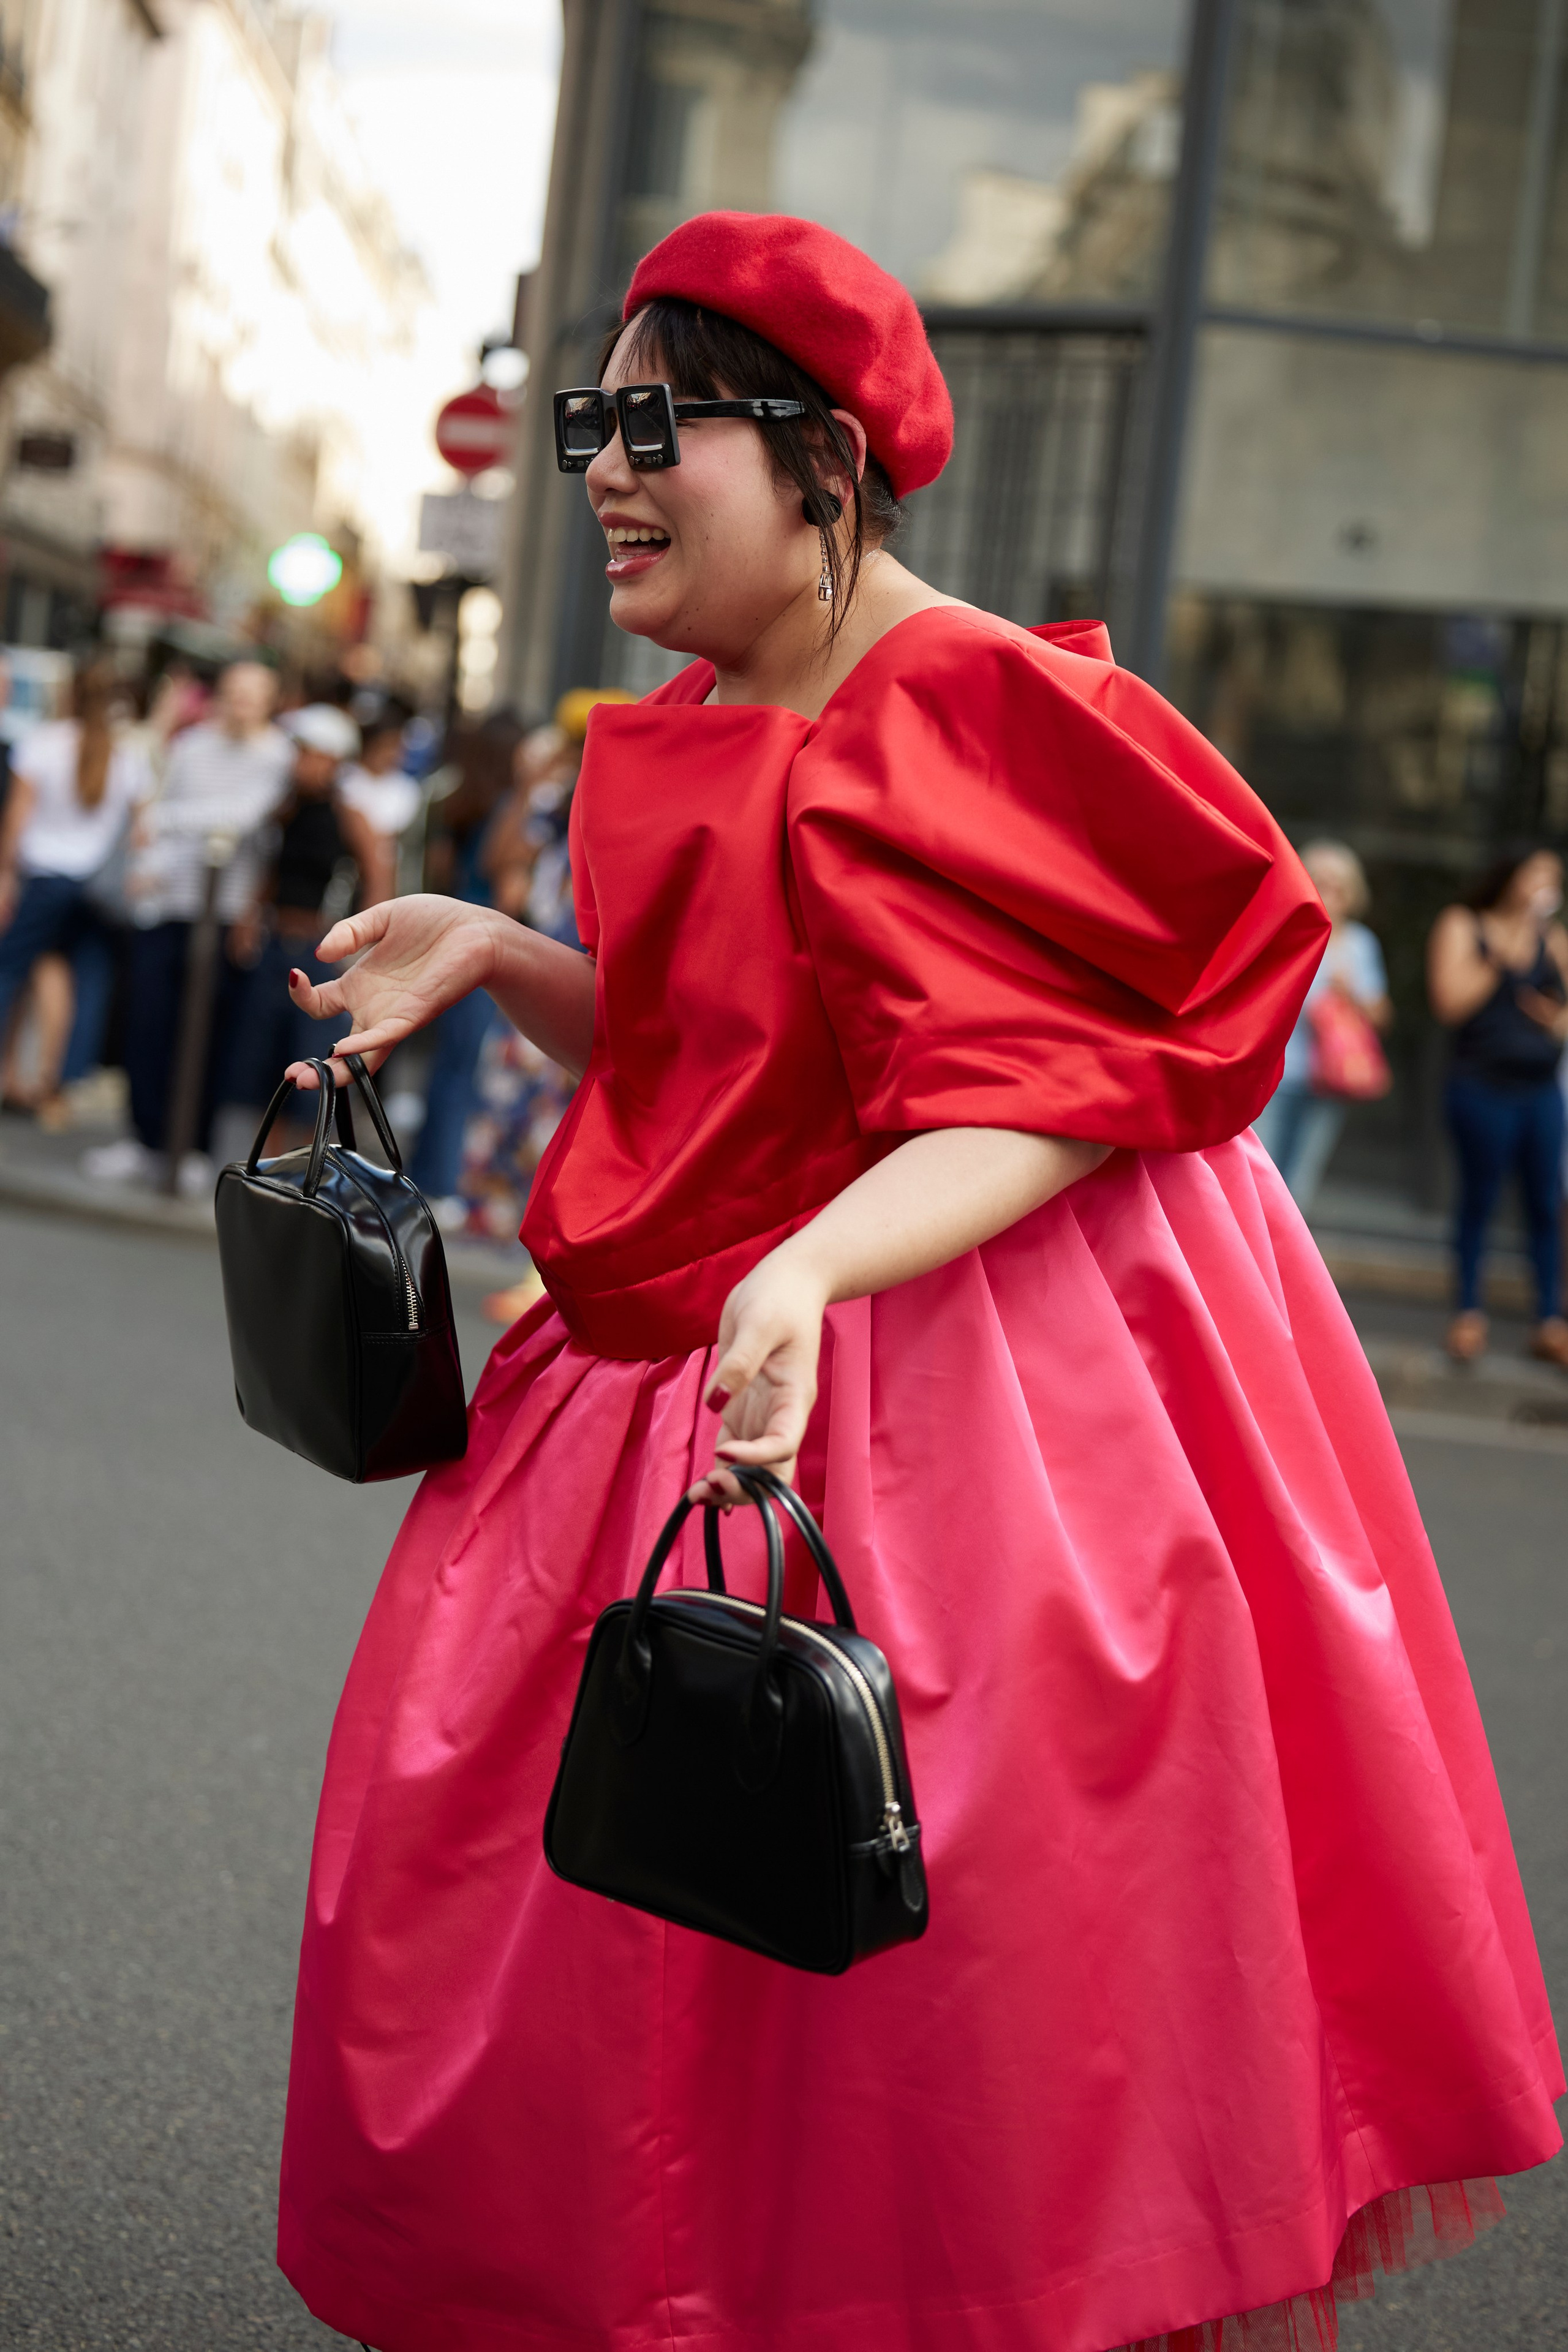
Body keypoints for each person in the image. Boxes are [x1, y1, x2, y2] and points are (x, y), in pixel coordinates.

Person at [274, 216, 1561, 2352]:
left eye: (652, 424)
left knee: (946, 1993)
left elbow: (1094, 1079)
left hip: (969, 1405)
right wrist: (508, 963)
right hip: (704, 1338)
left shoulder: (985, 699)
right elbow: (741, 1065)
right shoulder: (700, 705)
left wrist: (819, 1264)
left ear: (824, 463)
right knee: (654, 1944)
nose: (602, 466)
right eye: (595, 420)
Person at [84, 658, 292, 1187]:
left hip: (226, 911)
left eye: (254, 693)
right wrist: (150, 862)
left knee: (211, 1031)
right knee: (147, 1022)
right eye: (235, 690)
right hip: (166, 903)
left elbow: (241, 818)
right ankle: (144, 1138)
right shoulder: (191, 746)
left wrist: (170, 825)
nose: (243, 702)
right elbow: (158, 813)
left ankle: (193, 1144)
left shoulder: (277, 755)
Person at [1427, 845, 1568, 1366]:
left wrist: (1553, 1017)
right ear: (1512, 877)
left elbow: (1564, 1016)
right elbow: (1450, 1001)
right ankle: (1468, 1315)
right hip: (1481, 1087)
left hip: (1539, 1090)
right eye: (1538, 874)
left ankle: (1550, 1321)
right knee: (1479, 1199)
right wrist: (1502, 956)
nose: (1545, 886)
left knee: (1544, 1203)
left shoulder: (1551, 939)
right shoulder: (1465, 925)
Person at [224, 704, 392, 1122]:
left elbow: (377, 876)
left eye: (308, 753)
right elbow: (272, 870)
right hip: (275, 943)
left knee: (312, 1064)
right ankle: (269, 1168)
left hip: (322, 953)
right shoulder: (286, 808)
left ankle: (303, 1169)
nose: (299, 763)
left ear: (334, 759)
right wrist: (250, 918)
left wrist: (363, 944)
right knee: (266, 1062)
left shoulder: (349, 816)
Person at [0, 659, 151, 1123]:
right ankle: (51, 1083)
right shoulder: (128, 758)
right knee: (71, 980)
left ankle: (13, 1076)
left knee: (10, 974)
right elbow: (142, 833)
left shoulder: (43, 745)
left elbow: (17, 821)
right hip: (95, 889)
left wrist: (6, 874)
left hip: (43, 879)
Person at [1253, 839, 1392, 1208]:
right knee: (1257, 1175)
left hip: (1329, 1078)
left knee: (1300, 1182)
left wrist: (1352, 993)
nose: (1330, 890)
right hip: (1275, 1074)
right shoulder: (1283, 931)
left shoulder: (1361, 945)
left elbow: (1381, 1017)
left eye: (1338, 883)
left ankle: (1283, 1263)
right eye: (1320, 880)